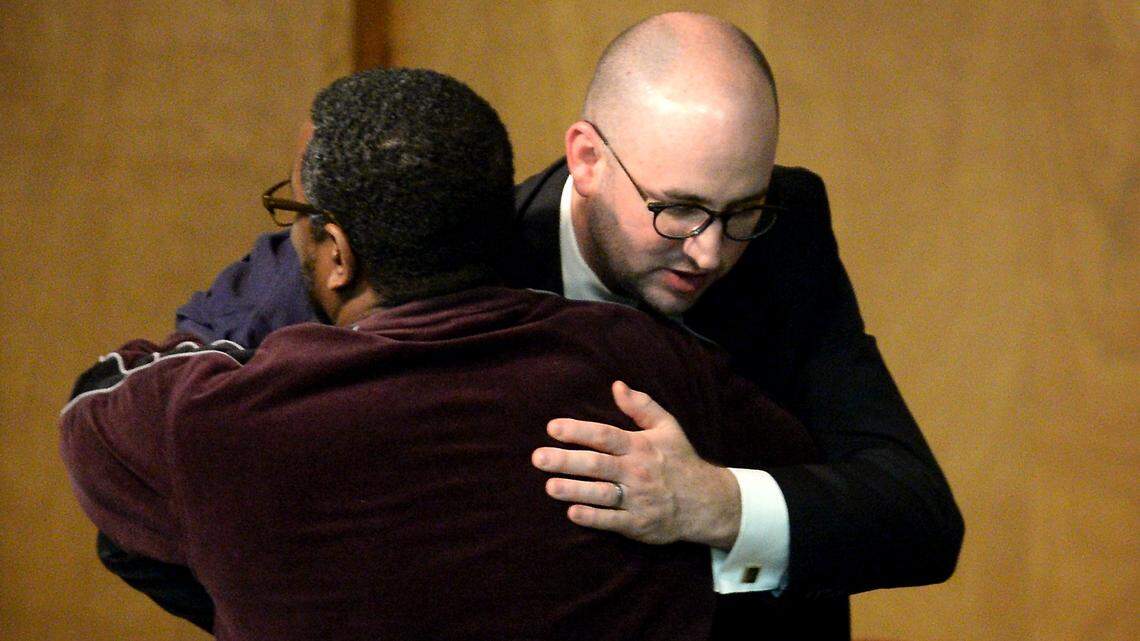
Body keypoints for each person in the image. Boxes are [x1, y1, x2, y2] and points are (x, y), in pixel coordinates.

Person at [135, 11, 964, 640]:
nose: (710, 251)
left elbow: (917, 516)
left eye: (738, 210)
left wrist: (711, 504)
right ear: (587, 158)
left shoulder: (788, 231)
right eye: (675, 209)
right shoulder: (447, 244)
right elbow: (162, 462)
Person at [61, 67, 818, 640]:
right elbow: (805, 484)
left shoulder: (222, 423)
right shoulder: (647, 367)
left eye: (295, 216)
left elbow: (91, 418)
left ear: (337, 255)